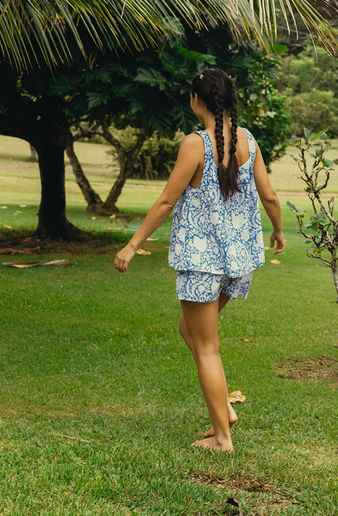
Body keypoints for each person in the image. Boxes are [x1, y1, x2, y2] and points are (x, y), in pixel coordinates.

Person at [114, 67, 285, 453]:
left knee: (206, 346)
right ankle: (224, 406)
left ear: (197, 100)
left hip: (202, 261)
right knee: (188, 330)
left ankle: (222, 437)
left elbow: (166, 201)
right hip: (238, 262)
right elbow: (270, 195)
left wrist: (132, 245)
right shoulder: (249, 141)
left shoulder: (196, 143)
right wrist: (277, 231)